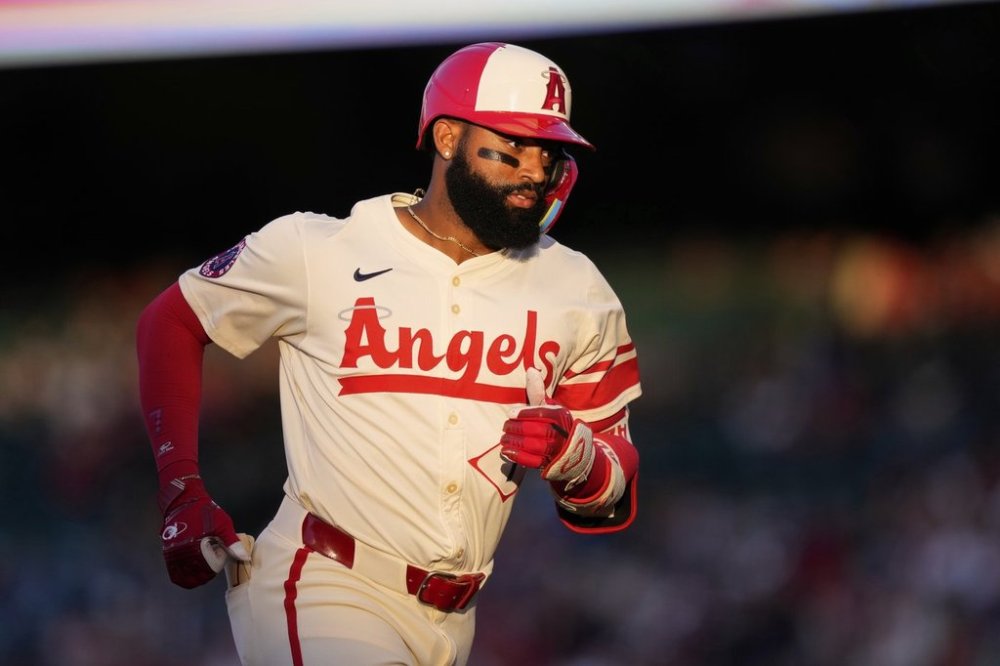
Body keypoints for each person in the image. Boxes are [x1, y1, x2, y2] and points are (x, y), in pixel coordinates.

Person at [136, 41, 642, 666]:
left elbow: (611, 491)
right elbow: (172, 320)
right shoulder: (319, 250)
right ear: (450, 137)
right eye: (513, 147)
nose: (535, 170)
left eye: (548, 150)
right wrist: (182, 488)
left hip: (455, 619)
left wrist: (579, 457)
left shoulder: (577, 289)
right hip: (326, 581)